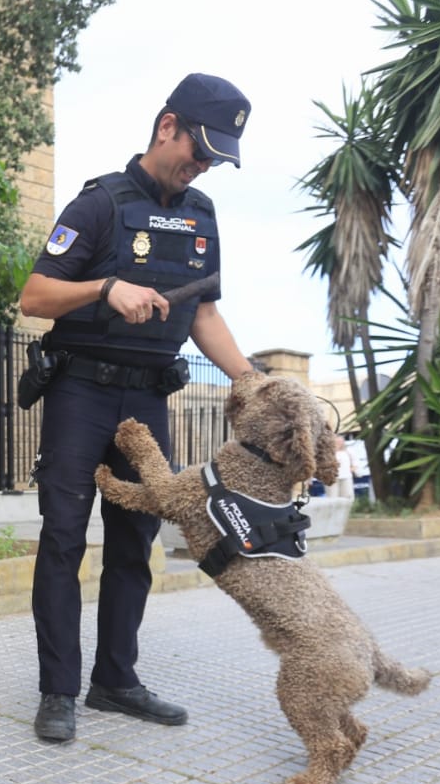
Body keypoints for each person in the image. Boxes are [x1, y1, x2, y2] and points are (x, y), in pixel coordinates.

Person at [18, 73, 259, 744]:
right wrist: (105, 288)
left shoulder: (202, 215)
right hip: (80, 393)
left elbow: (203, 314)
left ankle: (115, 681)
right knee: (64, 538)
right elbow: (33, 296)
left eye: (215, 158)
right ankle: (58, 690)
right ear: (166, 127)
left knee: (136, 542)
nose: (203, 164)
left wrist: (251, 380)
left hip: (149, 398)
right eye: (199, 149)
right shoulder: (99, 203)